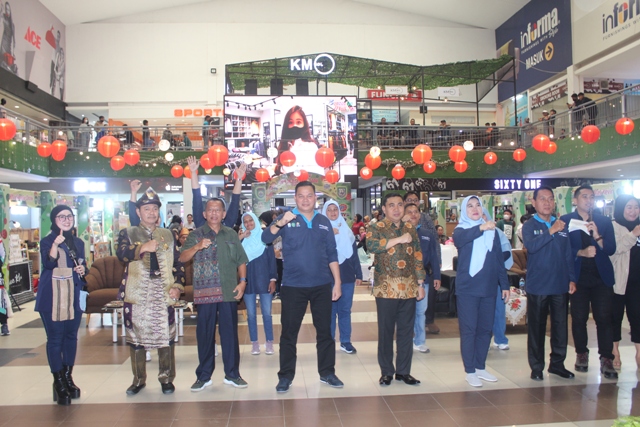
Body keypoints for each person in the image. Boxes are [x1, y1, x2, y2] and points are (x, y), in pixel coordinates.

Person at [261, 181, 344, 393]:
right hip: (293, 286)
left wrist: (338, 282)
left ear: (315, 198)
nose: (305, 199)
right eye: (301, 196)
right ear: (295, 198)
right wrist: (280, 223)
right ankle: (285, 376)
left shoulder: (324, 221)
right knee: (289, 333)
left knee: (325, 332)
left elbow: (332, 255)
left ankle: (327, 372)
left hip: (322, 285)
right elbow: (266, 238)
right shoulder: (286, 218)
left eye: (309, 195)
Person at [116, 189, 185, 396]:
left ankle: (166, 378)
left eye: (155, 209)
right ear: (138, 212)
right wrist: (142, 248)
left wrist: (178, 286)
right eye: (147, 209)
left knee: (166, 336)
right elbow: (121, 255)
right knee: (136, 337)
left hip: (163, 291)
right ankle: (138, 380)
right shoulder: (127, 233)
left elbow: (178, 263)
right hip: (137, 292)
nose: (151, 212)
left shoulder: (168, 235)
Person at [180, 198, 249, 391]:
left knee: (230, 335)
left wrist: (242, 282)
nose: (214, 213)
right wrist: (196, 247)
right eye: (210, 210)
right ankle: (203, 376)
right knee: (205, 335)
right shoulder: (196, 235)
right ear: (204, 214)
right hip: (205, 292)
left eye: (218, 210)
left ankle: (232, 374)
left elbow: (241, 260)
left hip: (228, 290)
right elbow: (182, 257)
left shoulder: (231, 234)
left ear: (224, 214)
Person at [560, 185, 617, 379]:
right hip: (578, 277)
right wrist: (580, 252)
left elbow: (610, 249)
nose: (589, 200)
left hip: (601, 277)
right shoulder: (566, 221)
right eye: (584, 196)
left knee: (604, 318)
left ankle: (606, 358)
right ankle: (581, 354)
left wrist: (597, 236)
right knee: (579, 318)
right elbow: (562, 250)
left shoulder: (603, 221)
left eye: (592, 197)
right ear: (575, 200)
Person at [367, 193, 425, 386]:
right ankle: (386, 372)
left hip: (408, 288)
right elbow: (372, 246)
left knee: (406, 332)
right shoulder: (376, 227)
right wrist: (400, 239)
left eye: (400, 205)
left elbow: (417, 255)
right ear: (384, 209)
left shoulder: (411, 228)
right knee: (385, 332)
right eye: (391, 205)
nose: (397, 209)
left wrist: (420, 283)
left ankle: (403, 371)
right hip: (386, 289)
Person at [454, 196, 509, 387]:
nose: (475, 208)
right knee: (469, 330)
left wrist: (505, 285)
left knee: (485, 330)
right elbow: (461, 240)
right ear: (464, 210)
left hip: (488, 287)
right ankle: (470, 370)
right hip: (468, 289)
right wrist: (481, 228)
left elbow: (499, 261)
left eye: (478, 205)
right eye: (470, 206)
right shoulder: (461, 230)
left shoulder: (492, 233)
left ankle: (480, 366)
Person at [522, 186, 576, 381]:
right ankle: (537, 367)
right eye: (542, 199)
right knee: (536, 328)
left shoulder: (561, 224)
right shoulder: (529, 225)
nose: (547, 202)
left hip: (560, 284)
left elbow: (568, 253)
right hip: (538, 286)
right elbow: (532, 247)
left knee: (560, 327)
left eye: (550, 199)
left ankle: (557, 364)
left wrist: (571, 278)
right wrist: (550, 231)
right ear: (534, 203)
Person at [36, 205, 87, 405]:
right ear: (53, 219)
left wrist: (84, 268)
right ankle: (58, 381)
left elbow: (83, 265)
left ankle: (68, 377)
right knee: (55, 338)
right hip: (52, 298)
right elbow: (48, 264)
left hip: (74, 296)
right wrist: (55, 246)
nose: (66, 220)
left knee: (71, 337)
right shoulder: (47, 241)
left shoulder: (79, 242)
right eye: (61, 216)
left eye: (69, 216)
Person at [322, 200, 362, 354]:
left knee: (345, 310)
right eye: (329, 210)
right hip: (327, 277)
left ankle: (346, 341)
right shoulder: (322, 231)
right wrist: (329, 234)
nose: (332, 213)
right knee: (330, 311)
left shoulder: (347, 232)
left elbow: (354, 255)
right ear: (324, 212)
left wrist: (358, 273)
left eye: (335, 209)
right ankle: (329, 341)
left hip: (347, 276)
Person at [403, 192, 442, 335]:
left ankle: (420, 340)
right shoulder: (398, 232)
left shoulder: (427, 233)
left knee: (421, 311)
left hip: (423, 278)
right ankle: (406, 339)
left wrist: (437, 276)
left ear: (419, 215)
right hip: (404, 278)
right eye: (409, 212)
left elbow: (433, 256)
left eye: (415, 212)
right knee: (406, 312)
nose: (413, 215)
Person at [238, 212, 276, 356]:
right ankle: (254, 343)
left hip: (264, 279)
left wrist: (273, 279)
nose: (248, 224)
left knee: (267, 313)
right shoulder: (241, 241)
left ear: (255, 221)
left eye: (250, 221)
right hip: (247, 281)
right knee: (251, 314)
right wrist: (241, 237)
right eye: (245, 221)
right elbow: (234, 256)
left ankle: (269, 342)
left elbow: (272, 260)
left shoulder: (265, 237)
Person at [610, 195, 640, 369]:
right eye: (629, 207)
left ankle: (638, 351)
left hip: (637, 283)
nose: (633, 211)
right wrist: (633, 234)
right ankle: (614, 351)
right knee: (615, 317)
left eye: (636, 207)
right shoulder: (614, 226)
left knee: (637, 317)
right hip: (618, 282)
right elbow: (613, 250)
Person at [276, 106, 323, 175]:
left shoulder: (311, 147)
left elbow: (316, 174)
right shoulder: (284, 145)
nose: (294, 125)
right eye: (290, 122)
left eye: (298, 122)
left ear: (304, 124)